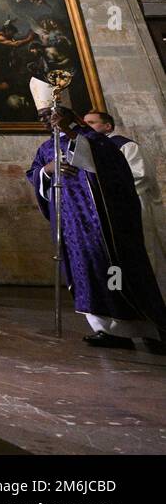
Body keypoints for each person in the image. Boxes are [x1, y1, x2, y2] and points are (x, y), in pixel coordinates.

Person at [27, 81, 166, 352]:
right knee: (87, 273)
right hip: (71, 227)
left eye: (51, 116)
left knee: (116, 272)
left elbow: (112, 171)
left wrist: (69, 131)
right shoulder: (46, 148)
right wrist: (47, 170)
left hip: (103, 223)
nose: (47, 122)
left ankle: (150, 328)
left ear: (67, 114)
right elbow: (33, 174)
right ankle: (108, 330)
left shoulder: (97, 141)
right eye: (42, 118)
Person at [83, 110, 166, 299]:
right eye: (84, 123)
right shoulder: (90, 149)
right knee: (114, 255)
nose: (86, 126)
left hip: (132, 206)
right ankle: (121, 297)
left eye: (92, 122)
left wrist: (108, 191)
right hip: (105, 209)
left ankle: (150, 298)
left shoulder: (125, 146)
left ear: (107, 126)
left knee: (142, 251)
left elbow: (141, 175)